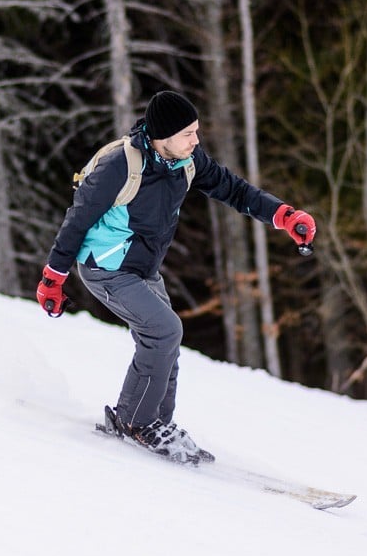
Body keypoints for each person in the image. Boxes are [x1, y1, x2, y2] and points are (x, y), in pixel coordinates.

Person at [36, 90, 315, 463]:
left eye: (196, 131)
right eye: (188, 134)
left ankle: (156, 423)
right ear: (162, 135)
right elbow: (78, 218)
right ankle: (137, 421)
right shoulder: (120, 165)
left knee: (164, 343)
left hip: (142, 269)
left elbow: (233, 189)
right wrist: (53, 277)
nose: (196, 140)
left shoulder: (187, 160)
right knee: (164, 331)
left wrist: (283, 215)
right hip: (106, 268)